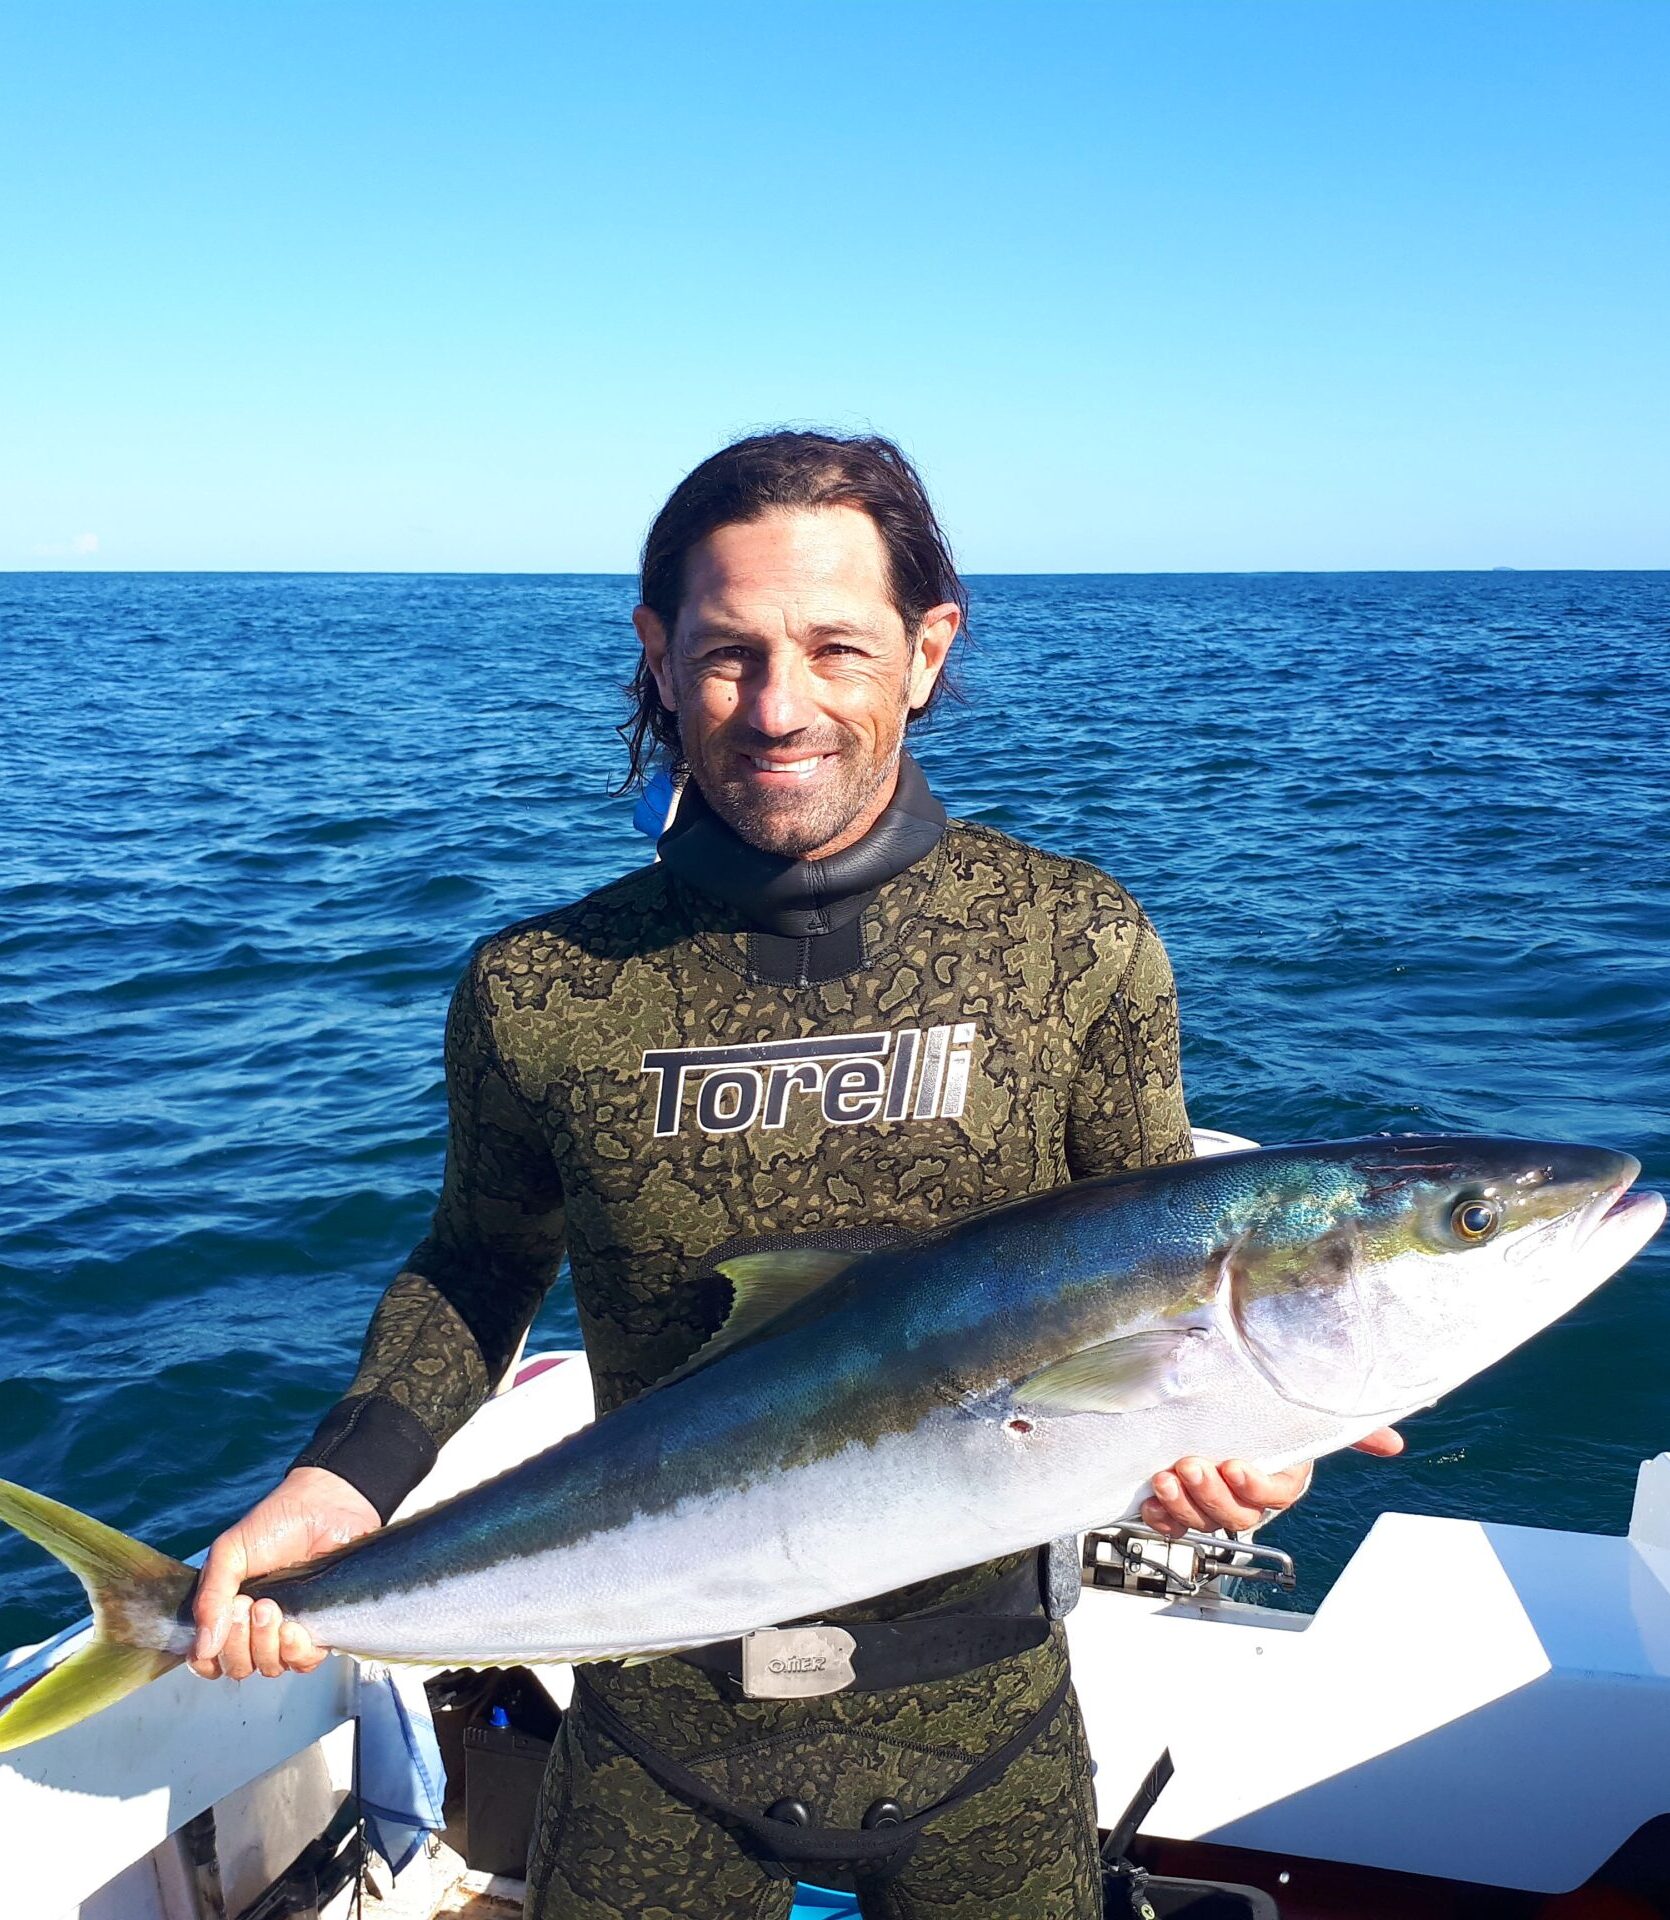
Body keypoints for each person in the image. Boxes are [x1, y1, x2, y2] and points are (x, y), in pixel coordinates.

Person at [190, 432, 1400, 1917]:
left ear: (926, 648)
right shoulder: (544, 987)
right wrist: (339, 1481)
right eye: (725, 655)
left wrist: (1236, 1438)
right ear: (654, 650)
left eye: (835, 646)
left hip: (987, 1722)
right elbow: (477, 1263)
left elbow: (1159, 1261)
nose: (778, 708)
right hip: (650, 1716)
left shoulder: (1072, 941)